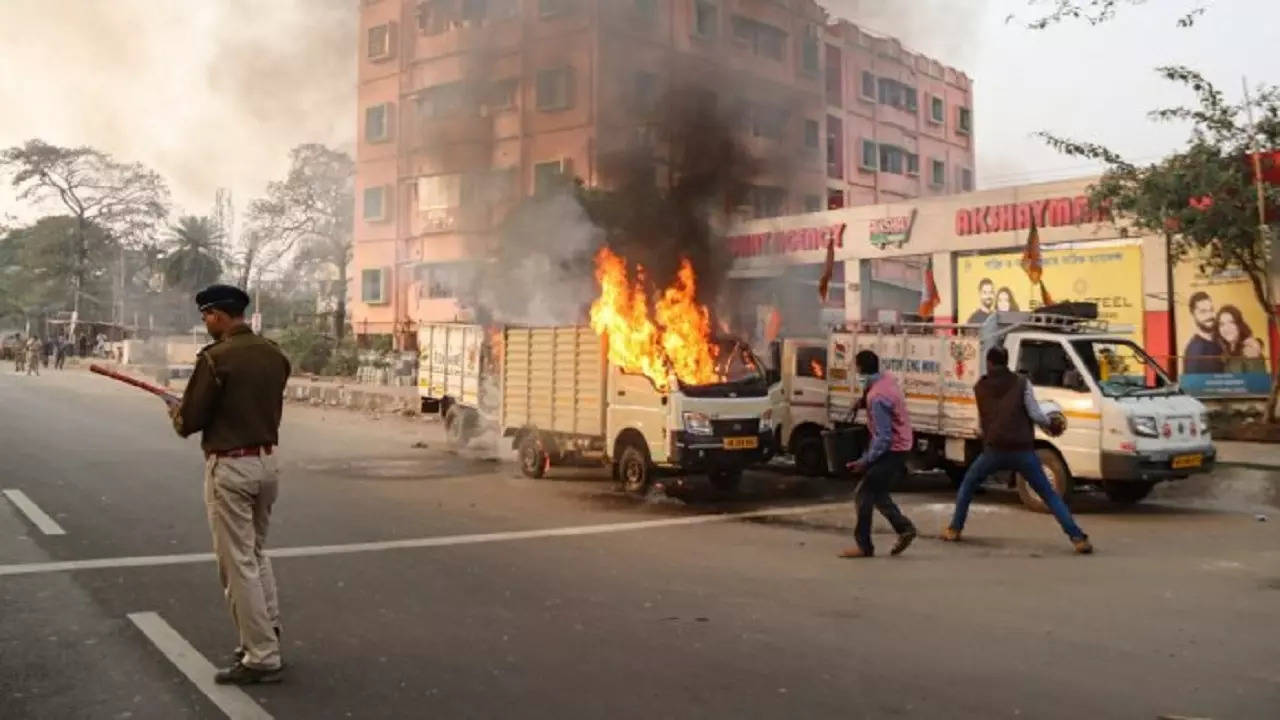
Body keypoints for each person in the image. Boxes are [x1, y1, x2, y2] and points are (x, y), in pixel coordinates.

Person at [170, 284, 291, 685]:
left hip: (232, 468)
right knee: (255, 554)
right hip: (267, 462)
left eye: (206, 316)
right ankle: (266, 632)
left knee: (236, 563)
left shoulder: (215, 359)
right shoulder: (274, 354)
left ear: (220, 316)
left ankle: (261, 656)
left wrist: (176, 411)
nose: (205, 323)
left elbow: (190, 422)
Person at [943, 346, 1092, 554]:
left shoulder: (980, 387)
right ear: (1007, 361)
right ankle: (1077, 538)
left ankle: (954, 529)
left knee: (967, 486)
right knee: (1049, 495)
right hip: (1022, 450)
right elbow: (1036, 415)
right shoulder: (1022, 383)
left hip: (993, 450)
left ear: (989, 363)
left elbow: (982, 420)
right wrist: (1050, 423)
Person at [838, 350, 917, 559]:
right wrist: (861, 402)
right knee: (878, 492)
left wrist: (865, 461)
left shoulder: (877, 397)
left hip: (893, 449)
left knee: (863, 493)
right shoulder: (886, 380)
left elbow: (884, 437)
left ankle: (864, 546)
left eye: (856, 368)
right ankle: (904, 528)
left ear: (862, 369)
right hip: (902, 444)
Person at [1216, 304, 1267, 374]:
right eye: (1222, 324)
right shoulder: (1226, 352)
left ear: (1239, 325)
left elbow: (1258, 383)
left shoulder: (1250, 350)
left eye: (1231, 322)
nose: (1226, 328)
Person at [1183, 292, 1224, 374]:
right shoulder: (1194, 350)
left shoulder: (1221, 337)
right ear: (1193, 315)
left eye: (1211, 310)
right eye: (1203, 312)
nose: (1209, 315)